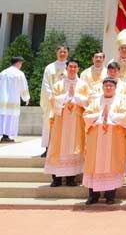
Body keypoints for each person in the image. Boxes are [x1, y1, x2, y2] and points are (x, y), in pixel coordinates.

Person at [82, 77, 126, 205]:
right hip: (96, 140)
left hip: (114, 140)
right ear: (102, 87)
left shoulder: (121, 101)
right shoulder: (95, 101)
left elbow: (125, 117)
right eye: (106, 86)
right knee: (94, 166)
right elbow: (86, 116)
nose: (108, 88)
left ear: (115, 88)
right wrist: (100, 116)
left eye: (111, 86)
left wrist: (110, 116)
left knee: (112, 166)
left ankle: (110, 196)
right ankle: (93, 196)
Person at [44, 58, 90, 187]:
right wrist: (66, 96)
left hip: (76, 121)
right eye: (70, 66)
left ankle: (71, 178)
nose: (72, 69)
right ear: (66, 68)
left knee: (73, 147)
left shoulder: (83, 85)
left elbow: (88, 101)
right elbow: (53, 99)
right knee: (58, 147)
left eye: (75, 67)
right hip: (61, 121)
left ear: (78, 69)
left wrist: (76, 97)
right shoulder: (59, 84)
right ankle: (56, 179)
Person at [40, 44, 69, 155]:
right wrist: (51, 97)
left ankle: (62, 149)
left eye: (64, 52)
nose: (62, 54)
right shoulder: (50, 68)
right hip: (51, 101)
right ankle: (48, 148)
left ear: (68, 53)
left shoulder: (70, 66)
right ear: (56, 53)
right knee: (49, 124)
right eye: (60, 51)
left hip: (65, 102)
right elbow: (46, 84)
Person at [0, 56, 30, 143]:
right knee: (11, 118)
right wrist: (26, 98)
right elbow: (23, 87)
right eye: (21, 64)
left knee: (3, 117)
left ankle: (4, 136)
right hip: (13, 100)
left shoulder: (3, 73)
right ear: (18, 63)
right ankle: (6, 136)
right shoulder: (19, 74)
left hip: (3, 100)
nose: (21, 65)